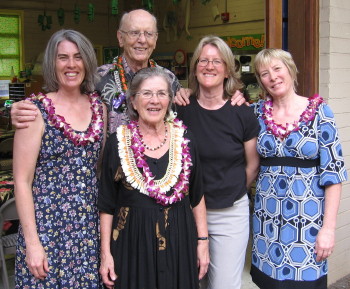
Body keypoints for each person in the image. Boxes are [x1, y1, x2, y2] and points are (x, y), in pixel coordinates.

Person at [98, 67, 209, 289]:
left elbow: (197, 197)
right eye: (146, 93)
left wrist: (203, 243)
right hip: (132, 245)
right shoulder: (117, 143)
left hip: (179, 241)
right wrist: (105, 254)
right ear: (133, 101)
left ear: (169, 100)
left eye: (161, 94)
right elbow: (107, 205)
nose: (154, 100)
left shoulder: (185, 139)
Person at [13, 29, 107, 288]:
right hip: (47, 229)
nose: (71, 64)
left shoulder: (99, 108)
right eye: (62, 57)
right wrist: (32, 243)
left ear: (87, 62)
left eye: (78, 57)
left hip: (88, 230)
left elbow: (98, 170)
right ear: (51, 63)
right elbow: (21, 181)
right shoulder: (34, 111)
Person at [249, 48, 347, 289]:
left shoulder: (320, 113)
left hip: (308, 221)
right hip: (267, 220)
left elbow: (333, 175)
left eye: (277, 69)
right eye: (264, 73)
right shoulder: (255, 113)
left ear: (290, 70)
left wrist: (328, 229)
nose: (272, 77)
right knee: (269, 283)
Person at [10, 9, 187, 133]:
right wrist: (25, 110)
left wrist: (191, 92)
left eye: (149, 34)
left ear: (155, 40)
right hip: (108, 175)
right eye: (134, 33)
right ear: (120, 37)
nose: (142, 40)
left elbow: (185, 117)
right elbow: (62, 102)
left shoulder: (169, 79)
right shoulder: (97, 78)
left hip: (158, 174)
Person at [175, 35, 260, 289]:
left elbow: (252, 165)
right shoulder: (180, 109)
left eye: (216, 61)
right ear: (195, 67)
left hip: (228, 214)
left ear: (227, 70)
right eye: (203, 60)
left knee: (223, 284)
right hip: (186, 214)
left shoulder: (242, 113)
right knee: (190, 282)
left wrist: (230, 188)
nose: (209, 66)